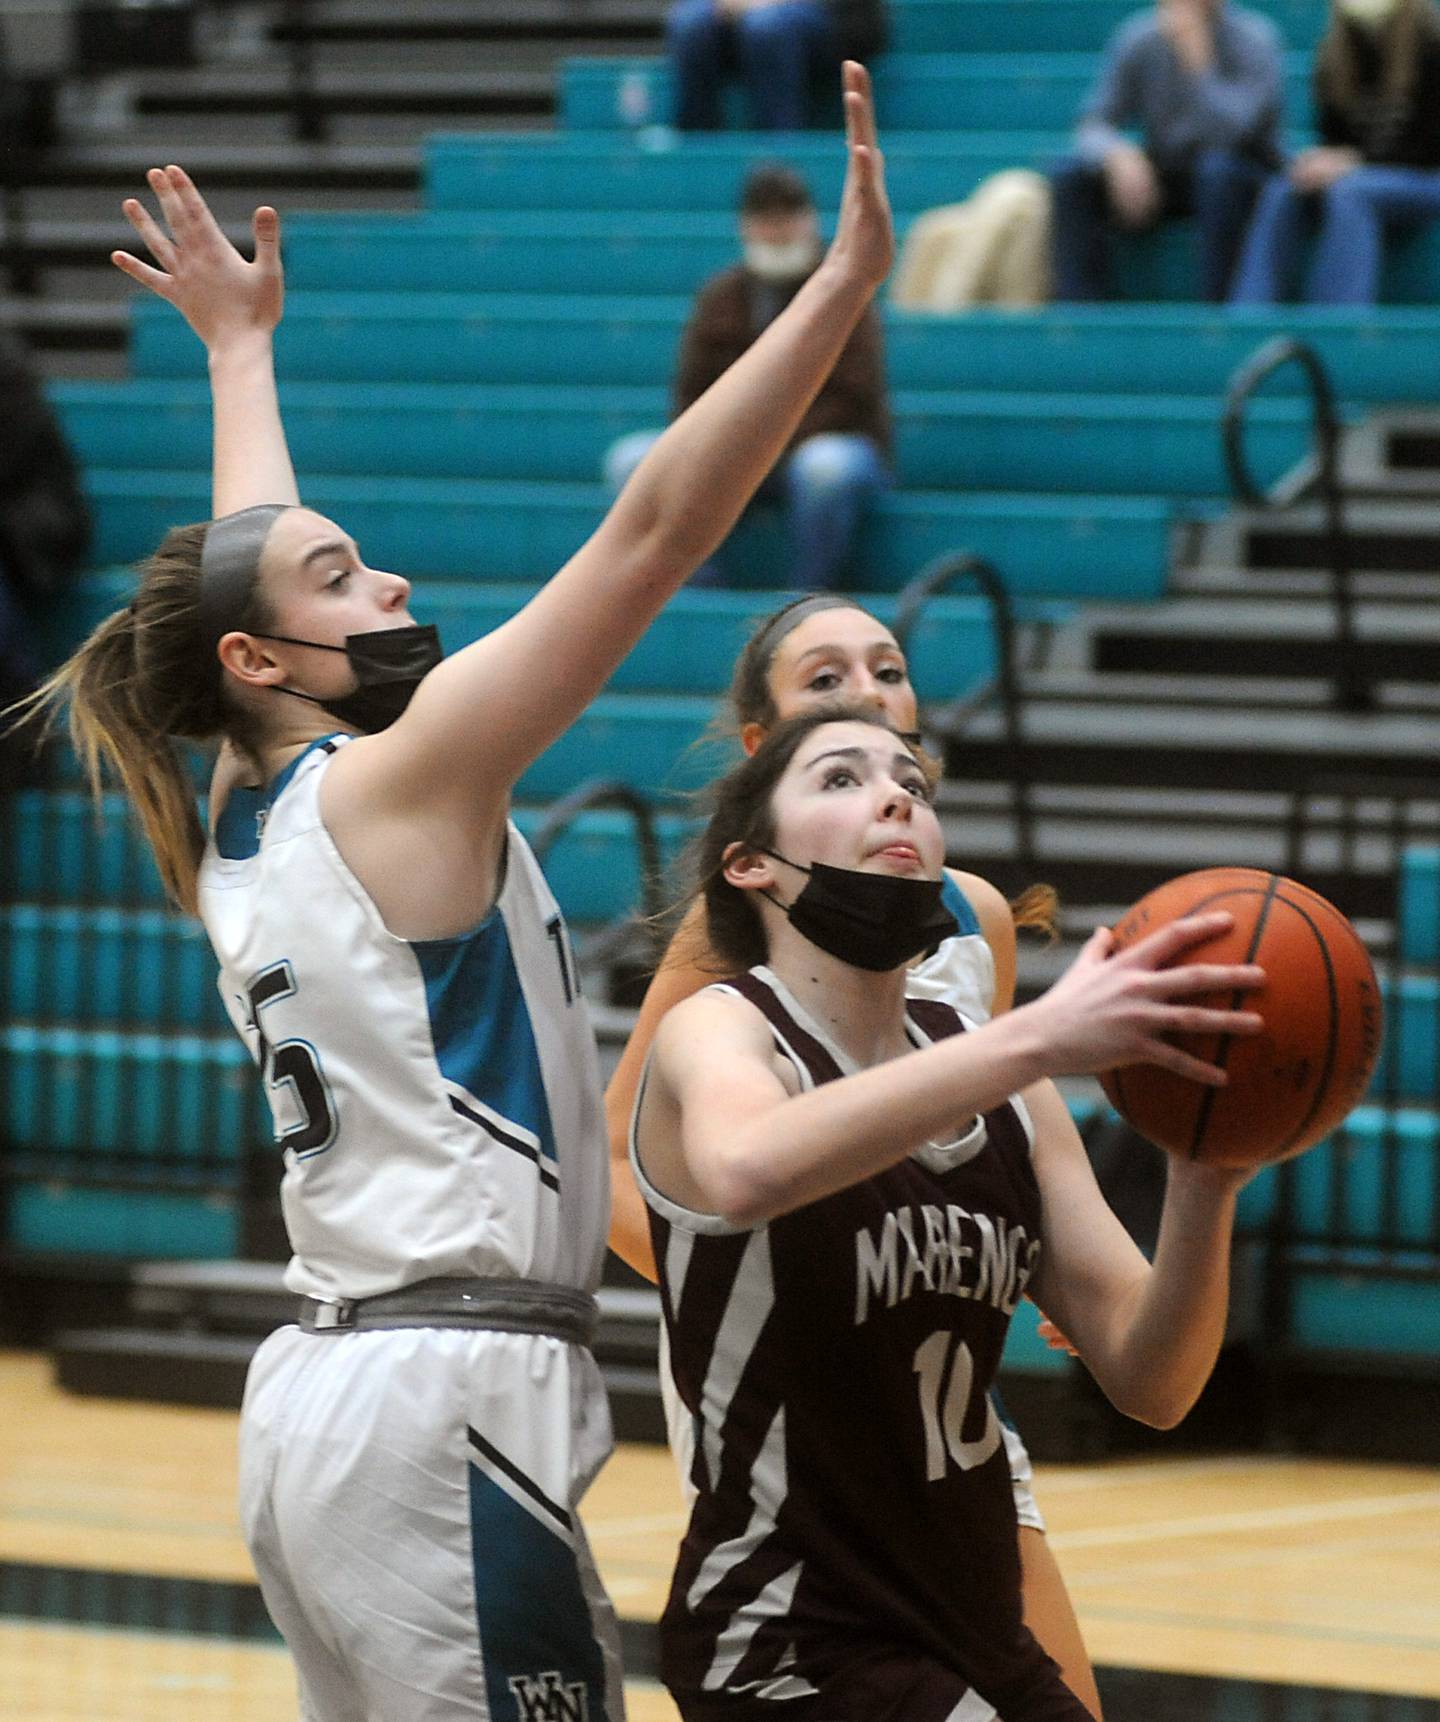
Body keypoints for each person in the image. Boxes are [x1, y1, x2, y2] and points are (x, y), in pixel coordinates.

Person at [21, 63, 893, 1721]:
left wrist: (239, 353)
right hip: (445, 1400)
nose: (395, 579)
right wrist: (839, 294)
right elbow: (648, 534)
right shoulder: (401, 780)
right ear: (265, 657)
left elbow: (243, 564)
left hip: (329, 1401)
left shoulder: (246, 804)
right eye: (347, 575)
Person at [629, 704, 1265, 1719]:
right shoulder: (723, 1030)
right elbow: (746, 1167)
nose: (895, 795)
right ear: (751, 865)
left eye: (913, 786)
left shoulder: (1007, 1086)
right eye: (840, 779)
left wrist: (1206, 1180)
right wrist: (1033, 1038)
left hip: (973, 1627)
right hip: (790, 1635)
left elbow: (1156, 1378)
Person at [604, 594, 1103, 1716]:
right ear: (761, 749)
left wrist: (1009, 1252)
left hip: (938, 1379)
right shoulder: (728, 946)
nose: (870, 691)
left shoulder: (971, 916)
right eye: (826, 681)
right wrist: (784, 1287)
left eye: (887, 669)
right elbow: (618, 1161)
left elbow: (987, 1149)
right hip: (792, 1391)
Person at [604, 165, 890, 592]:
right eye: (764, 218)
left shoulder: (844, 291)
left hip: (817, 445)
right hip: (732, 449)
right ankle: (696, 589)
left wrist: (764, 442)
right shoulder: (719, 297)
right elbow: (690, 396)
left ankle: (807, 598)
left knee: (826, 468)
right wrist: (732, 446)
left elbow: (854, 398)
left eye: (787, 216)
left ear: (809, 219)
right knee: (630, 461)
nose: (776, 230)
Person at [1049, 0, 1284, 302]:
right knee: (1071, 174)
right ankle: (1081, 317)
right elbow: (1094, 121)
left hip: (1241, 173)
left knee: (1217, 170)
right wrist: (1118, 155)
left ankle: (1219, 316)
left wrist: (1199, 65)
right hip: (1166, 171)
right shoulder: (1139, 36)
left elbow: (1232, 133)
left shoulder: (1256, 38)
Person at [1229, 0, 1440, 304]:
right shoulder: (1335, 51)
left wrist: (1354, 163)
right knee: (1285, 188)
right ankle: (1249, 316)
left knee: (1350, 192)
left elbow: (1429, 150)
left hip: (1426, 179)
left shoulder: (1431, 43)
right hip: (1362, 175)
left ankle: (1337, 323)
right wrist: (1318, 162)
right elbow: (1334, 137)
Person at [666, 0, 887, 132]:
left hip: (834, 17)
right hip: (748, 17)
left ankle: (781, 151)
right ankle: (697, 148)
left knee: (766, 26)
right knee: (690, 24)